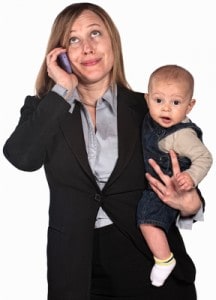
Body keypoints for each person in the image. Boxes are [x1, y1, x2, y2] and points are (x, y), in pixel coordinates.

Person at [3, 3, 204, 300]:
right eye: (73, 39)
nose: (87, 48)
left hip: (148, 264)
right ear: (60, 52)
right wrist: (62, 90)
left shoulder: (150, 108)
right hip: (75, 271)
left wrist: (189, 203)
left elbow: (184, 179)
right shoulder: (47, 109)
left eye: (95, 33)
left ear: (113, 41)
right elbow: (22, 158)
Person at [137, 64, 213, 287]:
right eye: (158, 100)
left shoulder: (182, 135)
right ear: (147, 98)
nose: (166, 109)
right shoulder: (149, 120)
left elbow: (205, 157)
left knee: (147, 221)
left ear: (190, 106)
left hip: (167, 189)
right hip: (154, 187)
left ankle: (164, 260)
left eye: (176, 102)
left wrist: (191, 177)